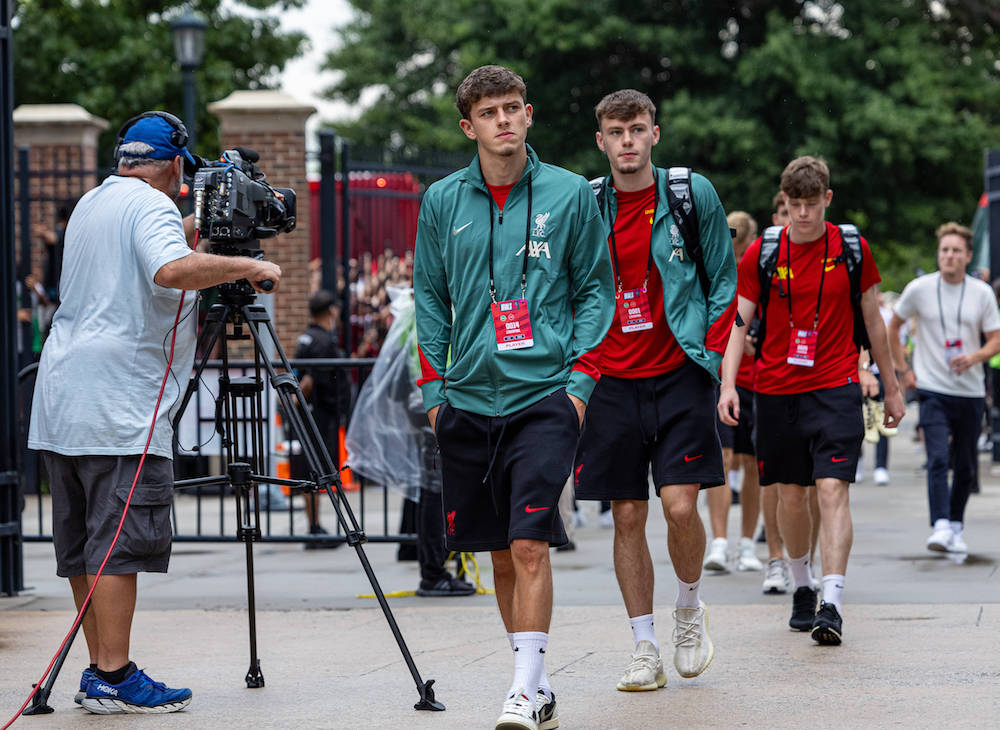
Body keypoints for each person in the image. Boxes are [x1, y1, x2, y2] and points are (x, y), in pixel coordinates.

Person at [28, 111, 281, 714]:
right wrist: (249, 264)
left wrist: (205, 225)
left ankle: (98, 671)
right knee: (120, 544)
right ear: (172, 164)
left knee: (86, 545)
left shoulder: (94, 202)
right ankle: (116, 672)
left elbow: (152, 247)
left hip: (65, 400)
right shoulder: (151, 206)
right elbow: (169, 268)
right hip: (123, 406)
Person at [413, 65, 613, 730]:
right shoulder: (442, 200)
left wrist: (579, 384)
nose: (504, 120)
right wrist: (436, 393)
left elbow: (595, 291)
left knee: (529, 544)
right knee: (499, 550)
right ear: (469, 126)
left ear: (529, 115)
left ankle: (522, 693)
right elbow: (429, 300)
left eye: (513, 108)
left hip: (544, 395)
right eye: (489, 112)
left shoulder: (569, 194)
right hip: (467, 399)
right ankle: (539, 681)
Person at [573, 89, 735, 692]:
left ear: (655, 134)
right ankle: (644, 645)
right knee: (626, 515)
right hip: (611, 380)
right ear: (602, 141)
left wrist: (711, 358)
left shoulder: (690, 194)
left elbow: (722, 277)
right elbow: (568, 287)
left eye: (637, 130)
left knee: (680, 507)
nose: (627, 142)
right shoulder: (587, 204)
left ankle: (688, 608)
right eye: (616, 132)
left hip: (678, 373)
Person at [719, 156, 904, 646]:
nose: (802, 215)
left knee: (832, 489)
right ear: (784, 203)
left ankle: (832, 601)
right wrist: (728, 383)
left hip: (835, 386)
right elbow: (739, 321)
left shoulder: (850, 248)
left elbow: (874, 320)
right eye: (793, 205)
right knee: (792, 495)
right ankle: (802, 584)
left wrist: (892, 386)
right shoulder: (763, 251)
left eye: (810, 205)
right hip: (776, 391)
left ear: (827, 199)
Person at [888, 222, 1000, 554]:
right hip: (932, 387)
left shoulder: (981, 293)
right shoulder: (919, 288)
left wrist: (975, 356)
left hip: (969, 390)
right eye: (944, 250)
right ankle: (939, 524)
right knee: (937, 457)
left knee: (964, 464)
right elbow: (893, 327)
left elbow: (996, 339)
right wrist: (903, 370)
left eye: (955, 251)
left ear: (967, 256)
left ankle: (955, 524)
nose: (949, 256)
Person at [705, 211, 764, 576]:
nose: (734, 248)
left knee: (753, 464)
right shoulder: (715, 269)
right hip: (721, 378)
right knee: (722, 460)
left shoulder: (758, 268)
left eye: (740, 242)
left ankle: (747, 544)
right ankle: (720, 541)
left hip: (756, 380)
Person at [292, 289, 352, 548]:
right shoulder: (322, 341)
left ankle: (314, 527)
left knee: (311, 470)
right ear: (330, 310)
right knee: (318, 470)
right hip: (320, 413)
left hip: (312, 413)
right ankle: (315, 530)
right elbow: (308, 380)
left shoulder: (306, 337)